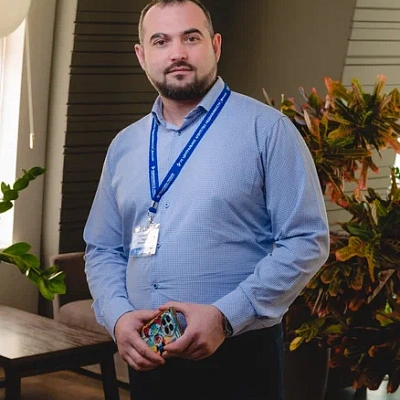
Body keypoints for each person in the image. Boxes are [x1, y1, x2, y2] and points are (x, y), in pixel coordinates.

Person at [83, 0, 330, 399]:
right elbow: (102, 248)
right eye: (161, 41)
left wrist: (226, 316)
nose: (177, 53)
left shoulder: (268, 131)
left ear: (215, 46)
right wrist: (118, 316)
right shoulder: (124, 146)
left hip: (240, 357)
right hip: (149, 357)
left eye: (191, 38)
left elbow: (306, 240)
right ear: (142, 56)